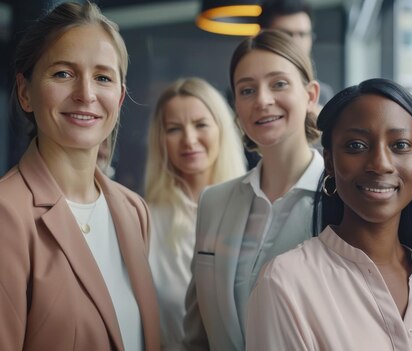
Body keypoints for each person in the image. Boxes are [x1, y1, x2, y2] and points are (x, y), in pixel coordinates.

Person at [245, 78, 412, 350]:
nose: (380, 164)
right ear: (329, 161)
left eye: (400, 146)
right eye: (356, 146)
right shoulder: (285, 282)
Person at [0, 2, 160, 350]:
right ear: (26, 93)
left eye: (102, 77)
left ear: (118, 98)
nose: (86, 94)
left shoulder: (135, 211)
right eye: (63, 74)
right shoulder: (6, 214)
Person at [183, 30, 325, 351]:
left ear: (311, 95)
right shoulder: (214, 203)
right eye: (247, 90)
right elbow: (196, 335)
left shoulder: (342, 200)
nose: (262, 100)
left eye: (278, 84)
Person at [144, 77, 246, 350]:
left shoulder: (254, 209)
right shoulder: (144, 220)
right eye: (174, 129)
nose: (189, 140)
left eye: (200, 124)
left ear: (222, 129)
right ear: (161, 139)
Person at [258, 0, 334, 107]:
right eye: (286, 34)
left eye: (302, 34)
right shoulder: (244, 91)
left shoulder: (322, 96)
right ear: (263, 36)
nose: (295, 43)